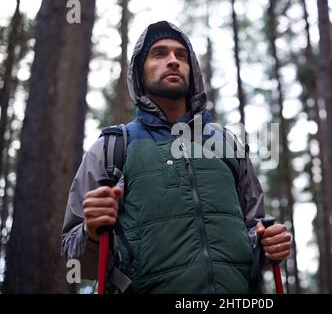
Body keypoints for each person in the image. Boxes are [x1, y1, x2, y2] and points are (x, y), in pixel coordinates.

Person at [61, 20, 292, 294]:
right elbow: (75, 261)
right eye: (159, 53)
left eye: (180, 55)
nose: (173, 61)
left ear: (191, 70)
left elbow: (254, 233)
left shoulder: (228, 143)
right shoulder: (113, 147)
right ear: (139, 71)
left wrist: (270, 244)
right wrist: (91, 232)